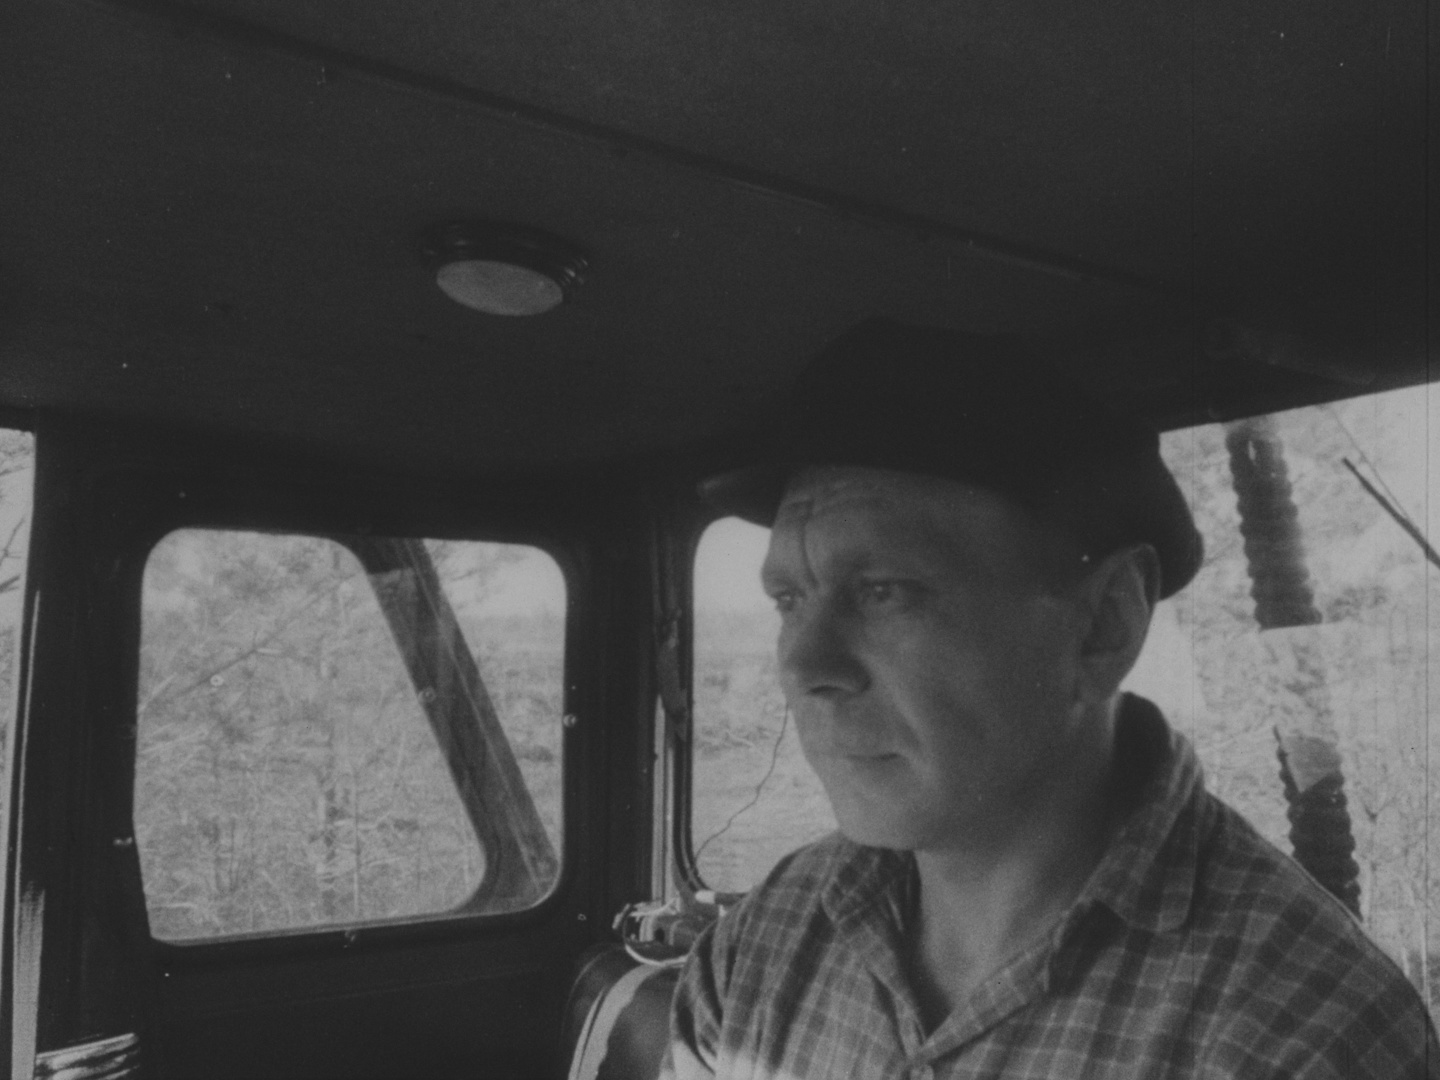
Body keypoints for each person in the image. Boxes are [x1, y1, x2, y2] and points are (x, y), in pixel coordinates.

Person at [660, 319, 1438, 1078]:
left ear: (1103, 626)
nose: (804, 665)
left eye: (884, 591)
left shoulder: (1301, 1034)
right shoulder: (762, 945)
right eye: (789, 600)